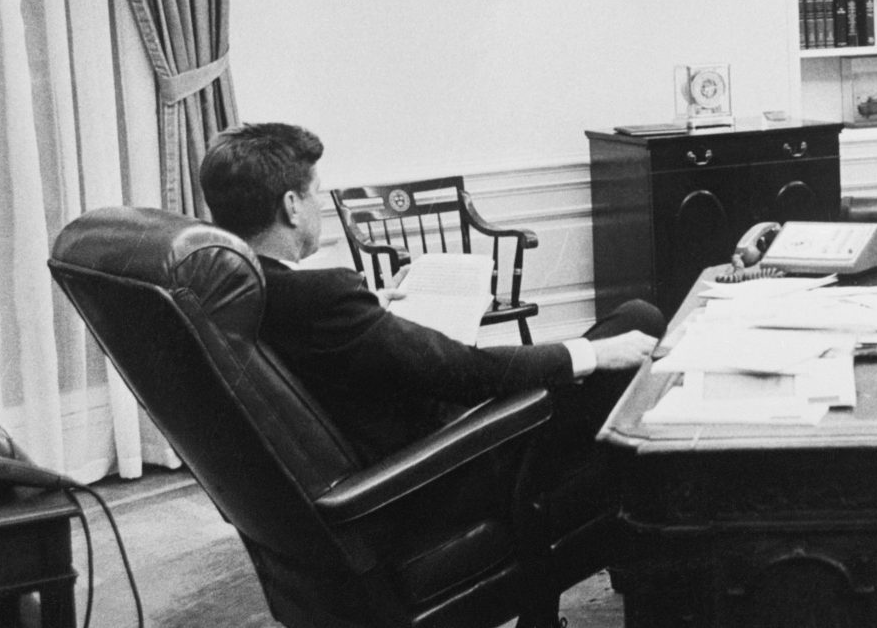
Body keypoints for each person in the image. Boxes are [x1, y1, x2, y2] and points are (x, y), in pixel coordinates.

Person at [198, 121, 664, 483]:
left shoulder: (233, 290)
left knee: (627, 329)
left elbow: (347, 350)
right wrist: (591, 354)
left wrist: (373, 311)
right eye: (315, 194)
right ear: (291, 206)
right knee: (636, 324)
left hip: (395, 451)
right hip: (448, 462)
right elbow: (467, 372)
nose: (317, 207)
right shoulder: (322, 297)